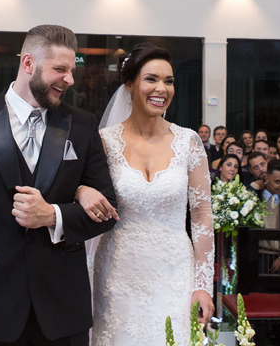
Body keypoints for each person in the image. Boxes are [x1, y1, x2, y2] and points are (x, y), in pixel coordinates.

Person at [0, 24, 117, 346]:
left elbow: (107, 210)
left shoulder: (83, 125)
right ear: (28, 63)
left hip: (63, 311)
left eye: (71, 70)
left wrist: (54, 216)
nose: (70, 80)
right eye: (60, 69)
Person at [78, 41, 213, 346]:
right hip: (117, 273)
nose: (161, 88)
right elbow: (74, 188)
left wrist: (203, 284)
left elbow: (203, 216)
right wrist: (80, 189)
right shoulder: (103, 142)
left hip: (175, 271)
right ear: (129, 85)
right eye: (151, 79)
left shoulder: (189, 142)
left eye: (168, 81)